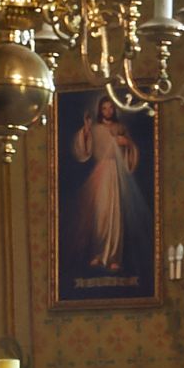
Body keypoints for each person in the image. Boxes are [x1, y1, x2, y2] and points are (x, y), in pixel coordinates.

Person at [71, 97, 145, 274]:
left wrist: (127, 144)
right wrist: (86, 130)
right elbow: (85, 150)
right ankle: (99, 253)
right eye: (104, 108)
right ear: (100, 110)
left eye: (111, 108)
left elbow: (131, 150)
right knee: (101, 214)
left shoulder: (120, 128)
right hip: (101, 172)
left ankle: (113, 257)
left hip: (116, 173)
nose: (108, 111)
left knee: (115, 214)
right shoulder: (95, 129)